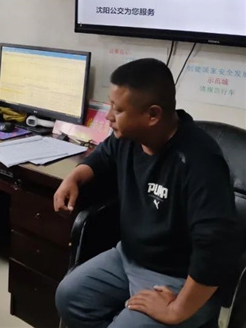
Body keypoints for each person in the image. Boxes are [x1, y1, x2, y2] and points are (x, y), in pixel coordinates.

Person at [54, 58, 241, 328]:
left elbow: (215, 251)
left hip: (179, 278)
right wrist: (74, 177)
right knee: (70, 297)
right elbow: (102, 157)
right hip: (129, 257)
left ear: (152, 115)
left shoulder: (200, 161)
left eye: (118, 109)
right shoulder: (128, 138)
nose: (108, 117)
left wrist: (176, 310)